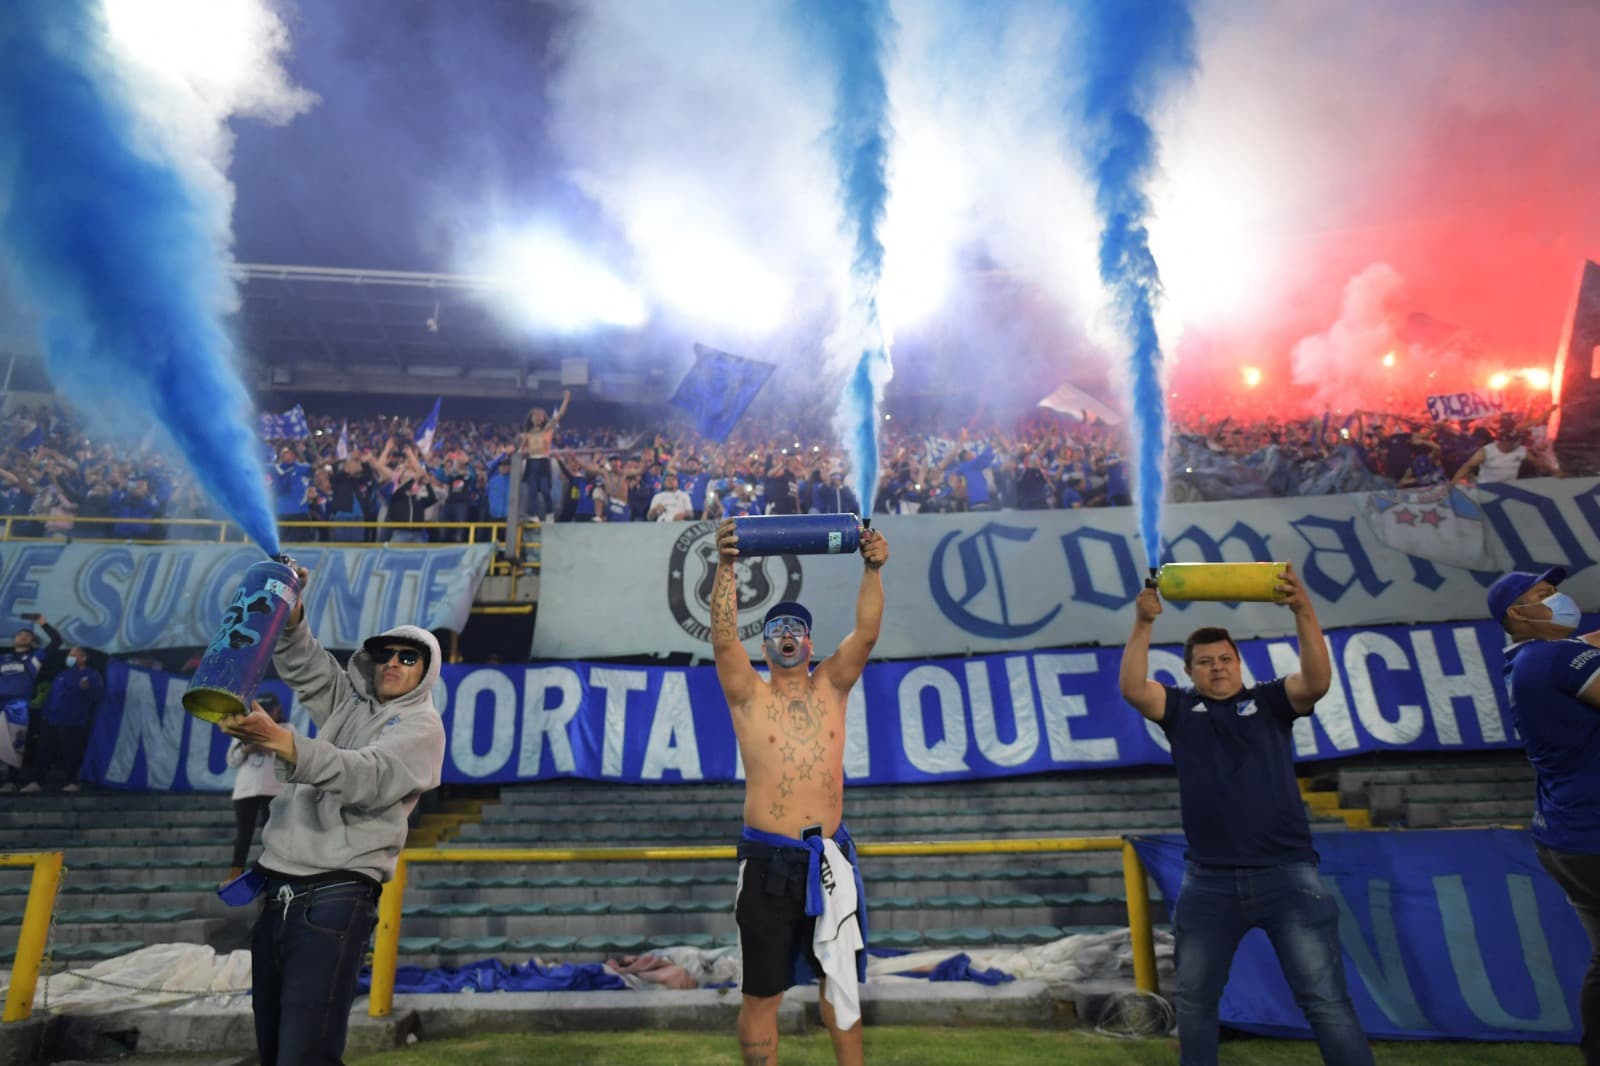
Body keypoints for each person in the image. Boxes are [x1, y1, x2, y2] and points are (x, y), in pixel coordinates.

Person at [1118, 566, 1373, 1066]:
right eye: (1205, 662)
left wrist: (1303, 610)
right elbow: (1133, 688)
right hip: (1208, 881)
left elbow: (1317, 681)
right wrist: (1143, 624)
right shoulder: (1179, 709)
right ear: (1189, 671)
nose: (1217, 668)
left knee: (1324, 1001)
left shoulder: (1270, 701)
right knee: (1194, 1002)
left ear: (1240, 664)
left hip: (1287, 877)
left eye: (1225, 659)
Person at [218, 566, 446, 1066]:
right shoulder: (352, 705)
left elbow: (368, 776)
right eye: (385, 654)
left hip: (335, 897)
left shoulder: (422, 726)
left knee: (305, 1054)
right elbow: (306, 665)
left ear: (426, 671)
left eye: (408, 657)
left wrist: (283, 742)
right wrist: (292, 610)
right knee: (275, 1050)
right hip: (278, 891)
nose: (393, 663)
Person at [712, 517, 890, 1066]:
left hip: (828, 859)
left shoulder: (832, 684)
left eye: (795, 627)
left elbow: (866, 633)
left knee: (841, 987)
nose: (786, 634)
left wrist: (872, 569)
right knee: (761, 994)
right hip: (768, 863)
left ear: (809, 641)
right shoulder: (749, 695)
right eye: (775, 628)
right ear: (765, 645)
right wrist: (726, 566)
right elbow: (723, 639)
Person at [1488, 566, 1600, 1063]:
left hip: (1566, 836)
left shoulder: (1526, 659)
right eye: (1545, 592)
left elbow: (1590, 643)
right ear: (1518, 613)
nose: (1559, 598)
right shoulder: (1558, 658)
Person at [224, 690, 286, 883]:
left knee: (273, 835)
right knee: (244, 835)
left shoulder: (286, 728)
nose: (265, 714)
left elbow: (292, 755)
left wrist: (269, 745)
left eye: (269, 710)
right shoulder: (244, 729)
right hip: (246, 790)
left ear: (277, 710)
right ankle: (235, 874)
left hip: (273, 790)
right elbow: (231, 761)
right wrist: (247, 748)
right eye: (262, 710)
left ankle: (273, 873)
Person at [33, 645, 102, 792]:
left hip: (73, 720)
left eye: (73, 655)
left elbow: (97, 696)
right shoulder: (62, 674)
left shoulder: (92, 674)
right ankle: (37, 782)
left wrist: (86, 689)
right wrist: (45, 714)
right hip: (51, 719)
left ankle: (73, 781)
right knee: (44, 751)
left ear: (83, 658)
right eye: (69, 655)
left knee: (72, 752)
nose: (69, 657)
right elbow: (52, 696)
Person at [521, 389, 571, 522]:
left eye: (540, 415)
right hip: (531, 462)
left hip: (543, 461)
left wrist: (566, 400)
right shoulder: (527, 433)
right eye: (535, 415)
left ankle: (550, 514)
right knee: (532, 491)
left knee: (545, 490)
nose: (537, 418)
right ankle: (533, 515)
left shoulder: (547, 429)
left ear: (544, 418)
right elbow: (521, 448)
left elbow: (559, 416)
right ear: (531, 418)